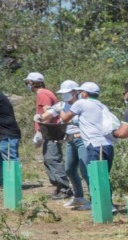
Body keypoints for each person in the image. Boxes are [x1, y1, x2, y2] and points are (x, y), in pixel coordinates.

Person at [59, 81, 116, 209]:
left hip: (94, 144)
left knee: (94, 175)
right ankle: (107, 204)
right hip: (107, 144)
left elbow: (65, 118)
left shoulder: (81, 103)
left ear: (84, 93)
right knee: (103, 176)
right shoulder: (102, 105)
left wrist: (60, 108)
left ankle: (101, 204)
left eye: (80, 92)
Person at [25, 72, 72, 199]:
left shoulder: (42, 94)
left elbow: (48, 114)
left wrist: (40, 132)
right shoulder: (45, 93)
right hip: (50, 132)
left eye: (27, 82)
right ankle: (59, 186)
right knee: (49, 159)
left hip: (51, 132)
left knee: (52, 159)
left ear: (31, 83)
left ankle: (64, 188)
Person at [45, 80, 90, 210]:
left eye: (68, 92)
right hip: (70, 140)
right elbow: (48, 114)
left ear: (75, 92)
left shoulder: (83, 104)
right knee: (69, 169)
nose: (65, 95)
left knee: (85, 170)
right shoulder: (62, 105)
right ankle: (79, 197)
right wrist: (39, 118)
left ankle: (94, 199)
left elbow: (71, 119)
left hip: (82, 139)